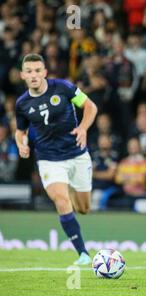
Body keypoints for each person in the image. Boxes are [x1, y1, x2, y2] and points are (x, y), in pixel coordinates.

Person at [15, 54, 98, 265]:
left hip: (77, 153)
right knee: (61, 200)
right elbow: (20, 130)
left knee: (84, 208)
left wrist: (83, 128)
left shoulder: (63, 87)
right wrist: (21, 143)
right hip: (49, 159)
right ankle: (83, 254)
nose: (33, 75)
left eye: (37, 71)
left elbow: (90, 107)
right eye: (29, 71)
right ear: (22, 75)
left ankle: (69, 187)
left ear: (44, 72)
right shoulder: (22, 104)